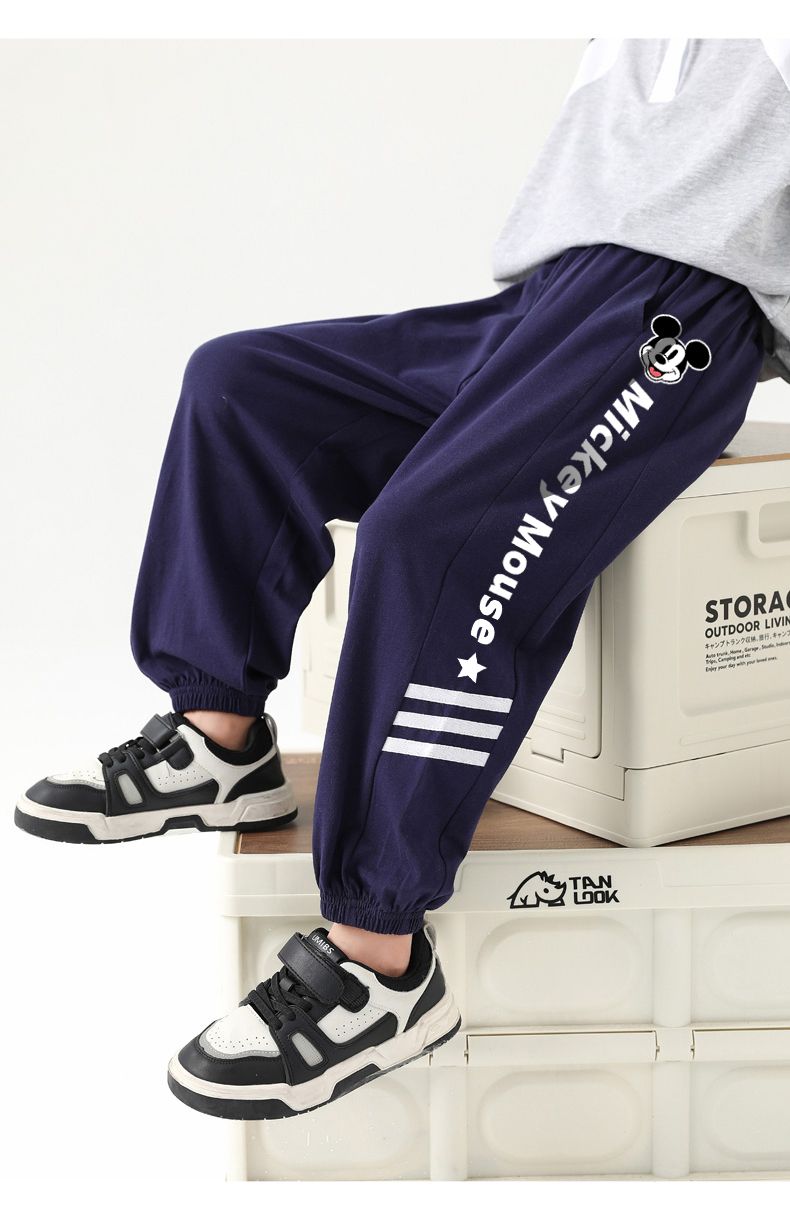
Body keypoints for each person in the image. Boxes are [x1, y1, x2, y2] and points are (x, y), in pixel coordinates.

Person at [15, 39, 788, 1121]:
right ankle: (218, 739)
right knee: (240, 386)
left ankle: (377, 962)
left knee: (432, 536)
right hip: (547, 301)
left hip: (677, 320)